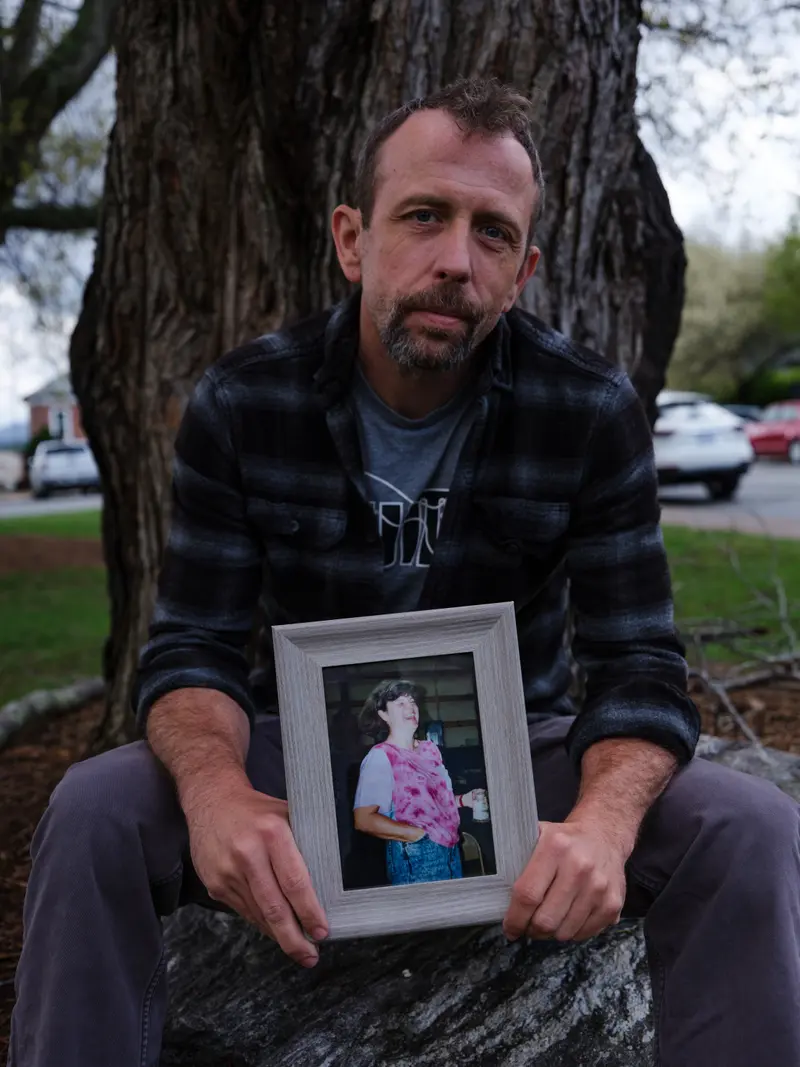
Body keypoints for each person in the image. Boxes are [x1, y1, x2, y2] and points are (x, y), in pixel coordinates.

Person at [8, 77, 800, 1067]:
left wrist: (600, 821)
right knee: (91, 808)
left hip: (524, 751)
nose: (454, 262)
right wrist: (215, 794)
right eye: (423, 216)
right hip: (293, 751)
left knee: (751, 827)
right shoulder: (245, 400)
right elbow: (192, 646)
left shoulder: (586, 409)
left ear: (522, 270)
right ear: (351, 238)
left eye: (492, 233)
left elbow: (636, 662)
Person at [352, 679, 487, 884]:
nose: (411, 707)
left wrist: (462, 800)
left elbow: (433, 801)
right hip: (416, 856)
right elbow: (364, 819)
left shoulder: (429, 749)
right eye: (400, 703)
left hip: (451, 849)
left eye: (412, 701)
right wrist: (417, 835)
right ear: (384, 714)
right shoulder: (381, 757)